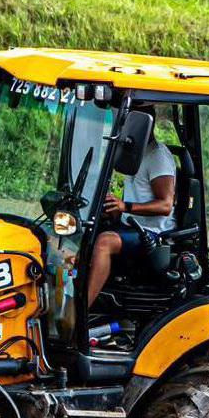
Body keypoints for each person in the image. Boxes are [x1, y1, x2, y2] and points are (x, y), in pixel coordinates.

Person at [86, 109, 175, 305]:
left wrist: (125, 206)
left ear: (142, 125)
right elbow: (138, 193)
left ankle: (81, 311)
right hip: (130, 225)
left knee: (103, 243)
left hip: (152, 232)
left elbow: (166, 205)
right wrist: (115, 208)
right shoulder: (135, 152)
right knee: (82, 233)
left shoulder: (157, 156)